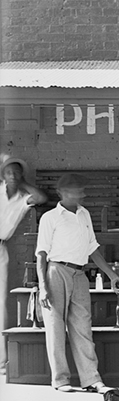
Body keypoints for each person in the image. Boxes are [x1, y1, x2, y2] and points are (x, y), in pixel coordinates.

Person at [35, 173, 119, 392]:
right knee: (55, 327)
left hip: (80, 273)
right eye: (77, 191)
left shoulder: (84, 214)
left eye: (82, 190)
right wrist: (43, 287)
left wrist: (112, 275)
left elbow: (93, 248)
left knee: (83, 326)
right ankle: (61, 380)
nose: (82, 195)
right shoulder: (50, 218)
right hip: (56, 271)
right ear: (63, 193)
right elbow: (41, 255)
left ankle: (91, 379)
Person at [0, 154, 48, 373]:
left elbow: (41, 198)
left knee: (1, 305)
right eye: (9, 172)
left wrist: (22, 183)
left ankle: (1, 360)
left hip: (1, 247)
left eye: (17, 172)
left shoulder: (22, 198)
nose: (13, 176)